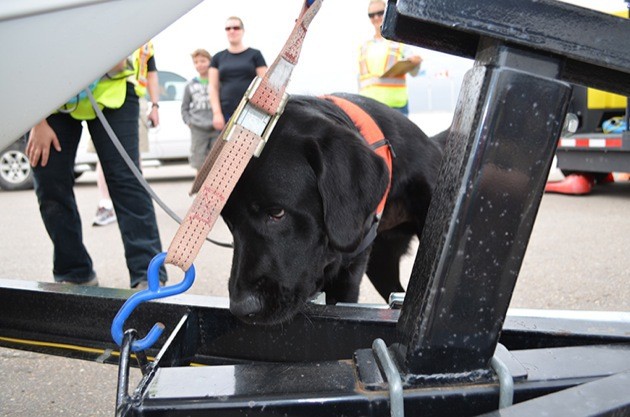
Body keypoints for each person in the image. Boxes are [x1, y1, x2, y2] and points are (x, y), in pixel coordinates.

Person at [26, 44, 167, 288]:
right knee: (49, 180)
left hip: (113, 91)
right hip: (52, 98)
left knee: (126, 181)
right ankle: (75, 270)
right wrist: (36, 120)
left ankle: (148, 275)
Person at [93, 42, 160, 226]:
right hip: (99, 100)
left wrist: (155, 105)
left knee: (132, 159)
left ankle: (134, 206)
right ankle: (106, 204)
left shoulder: (146, 44)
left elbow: (152, 75)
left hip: (134, 99)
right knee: (104, 156)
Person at [358, 0, 422, 115]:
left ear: (387, 12)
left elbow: (414, 72)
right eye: (371, 15)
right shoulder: (363, 47)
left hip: (395, 107)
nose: (376, 17)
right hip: (368, 108)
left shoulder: (399, 42)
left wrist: (415, 63)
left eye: (380, 13)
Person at [209, 16, 267, 131]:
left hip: (251, 112)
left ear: (242, 31)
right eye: (228, 28)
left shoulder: (255, 55)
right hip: (226, 112)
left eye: (236, 27)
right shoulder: (217, 58)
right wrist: (216, 113)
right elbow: (213, 87)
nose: (232, 31)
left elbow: (264, 82)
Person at [181, 48, 218, 171]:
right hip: (198, 128)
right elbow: (184, 107)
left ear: (210, 61)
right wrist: (189, 122)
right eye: (196, 62)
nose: (199, 64)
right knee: (199, 162)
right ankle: (200, 189)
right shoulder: (190, 85)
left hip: (216, 127)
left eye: (203, 61)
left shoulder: (217, 82)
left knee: (217, 160)